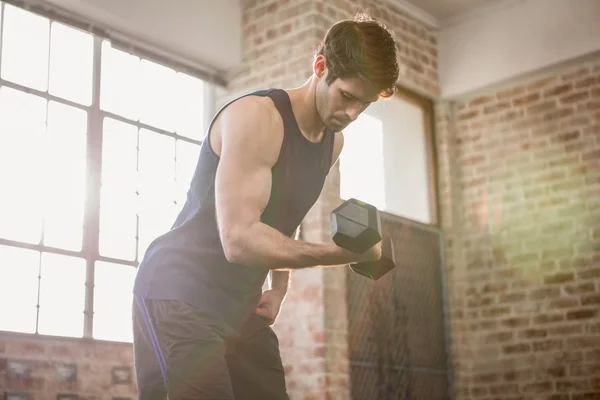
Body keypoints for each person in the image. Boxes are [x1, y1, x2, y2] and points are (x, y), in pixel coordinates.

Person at [131, 12, 400, 400]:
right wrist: (337, 254)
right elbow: (239, 240)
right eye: (347, 97)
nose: (353, 114)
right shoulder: (257, 118)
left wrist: (279, 287)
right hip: (179, 291)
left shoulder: (332, 144)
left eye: (365, 104)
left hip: (239, 306)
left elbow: (279, 220)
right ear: (320, 65)